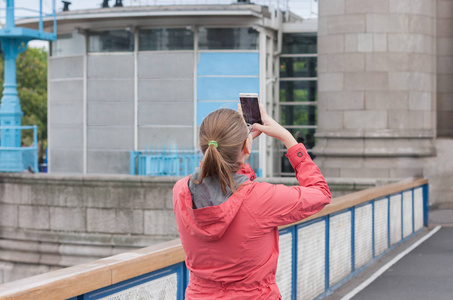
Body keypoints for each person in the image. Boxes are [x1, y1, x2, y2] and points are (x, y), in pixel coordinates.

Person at [172, 105, 331, 299]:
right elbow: (320, 193)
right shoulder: (261, 198)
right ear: (246, 147)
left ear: (202, 146)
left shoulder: (181, 190)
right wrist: (287, 138)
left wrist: (238, 151)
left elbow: (219, 177)